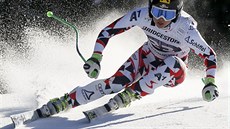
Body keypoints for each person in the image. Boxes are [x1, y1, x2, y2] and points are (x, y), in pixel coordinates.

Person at [37, 0, 219, 118]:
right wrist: (95, 57)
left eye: (169, 15)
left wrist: (210, 82)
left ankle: (132, 93)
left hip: (172, 73)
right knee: (114, 84)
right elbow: (108, 31)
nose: (161, 19)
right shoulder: (142, 15)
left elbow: (209, 55)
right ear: (150, 8)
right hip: (147, 56)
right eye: (157, 12)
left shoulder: (186, 28)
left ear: (178, 14)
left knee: (172, 62)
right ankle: (67, 101)